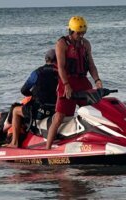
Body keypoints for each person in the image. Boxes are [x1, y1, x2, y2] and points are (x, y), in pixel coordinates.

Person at [46, 16, 103, 149]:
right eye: (78, 33)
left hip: (83, 81)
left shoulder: (86, 44)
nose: (81, 36)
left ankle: (95, 141)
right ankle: (48, 147)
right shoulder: (62, 43)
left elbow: (91, 65)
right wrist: (66, 85)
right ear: (71, 31)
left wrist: (97, 80)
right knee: (60, 116)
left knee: (95, 110)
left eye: (83, 33)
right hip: (67, 81)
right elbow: (60, 67)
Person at [8, 49, 58, 147]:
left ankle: (14, 142)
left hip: (39, 112)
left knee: (15, 111)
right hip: (55, 111)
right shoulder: (62, 73)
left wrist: (33, 95)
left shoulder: (37, 72)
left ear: (46, 59)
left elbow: (23, 90)